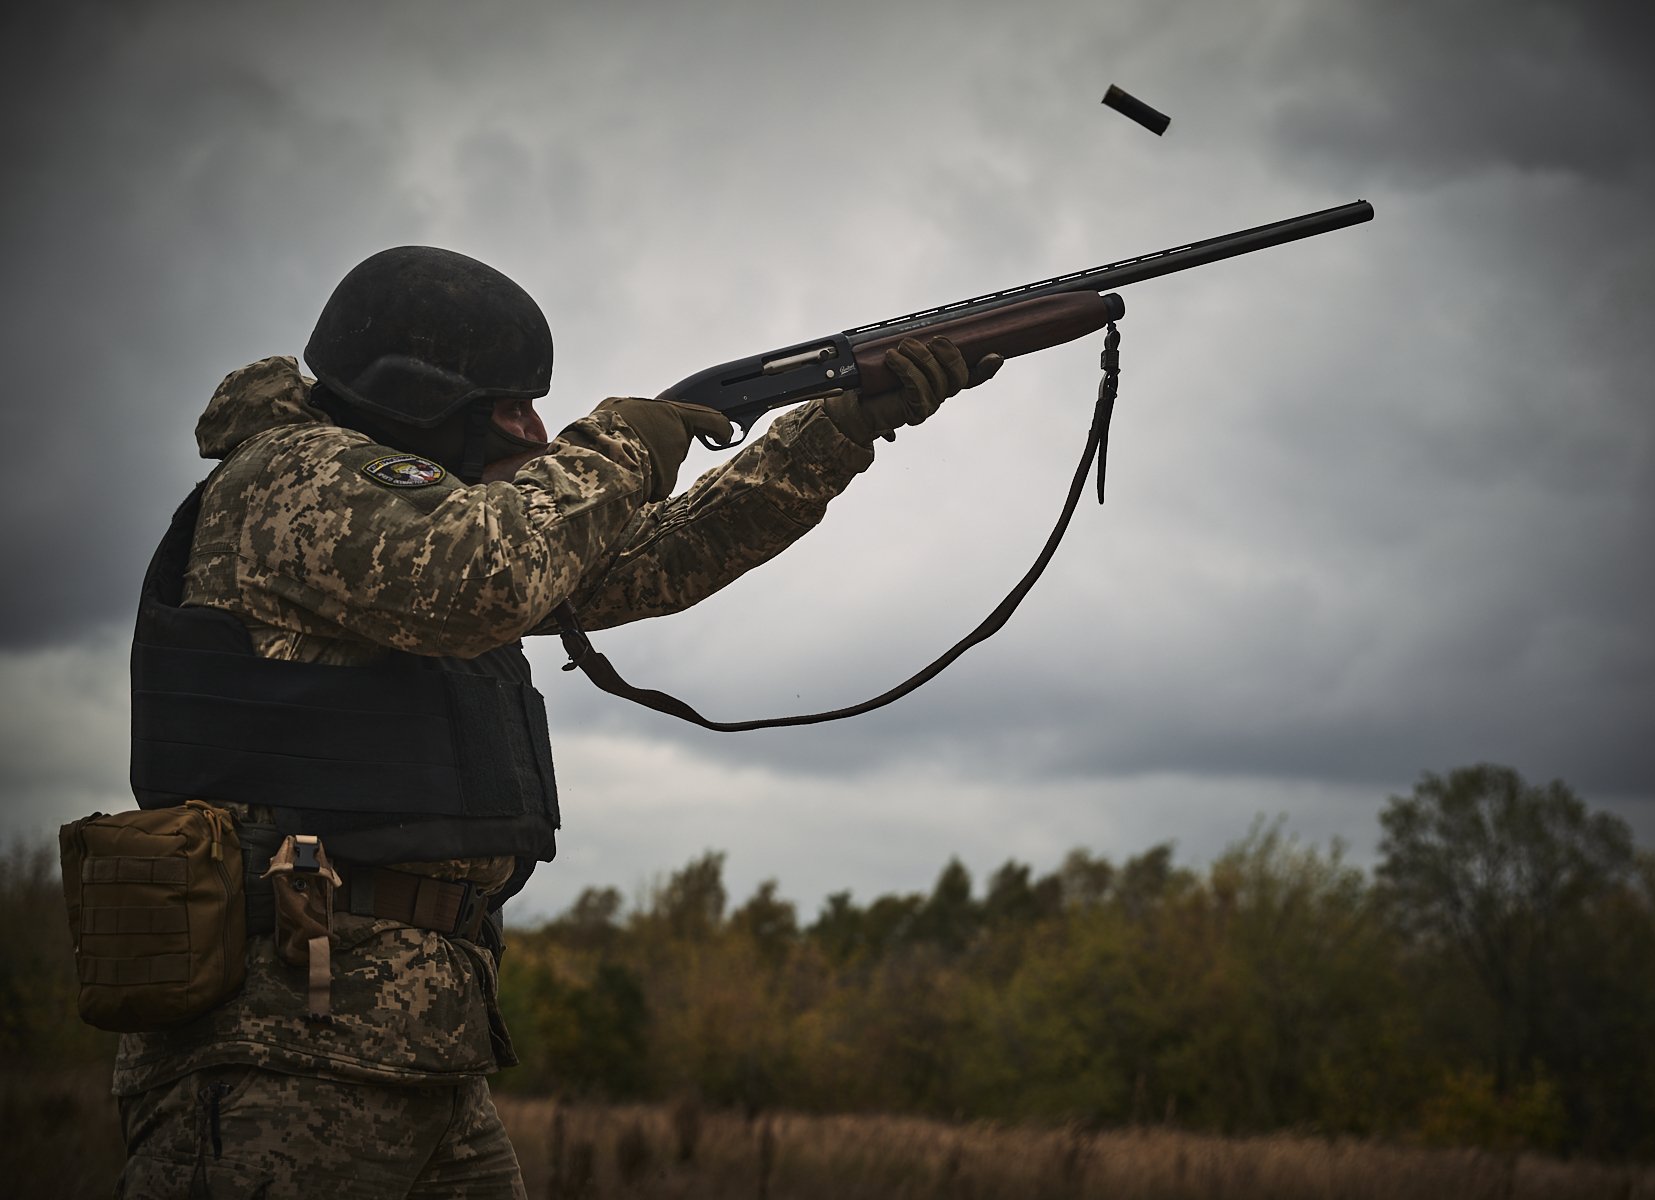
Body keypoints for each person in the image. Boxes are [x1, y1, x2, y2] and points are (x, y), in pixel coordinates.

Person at [115, 245, 1001, 1197]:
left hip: (420, 1046)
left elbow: (656, 560)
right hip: (283, 1054)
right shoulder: (290, 479)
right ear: (420, 396)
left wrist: (842, 426)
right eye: (512, 408)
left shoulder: (430, 519)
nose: (538, 434)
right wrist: (622, 440)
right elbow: (484, 573)